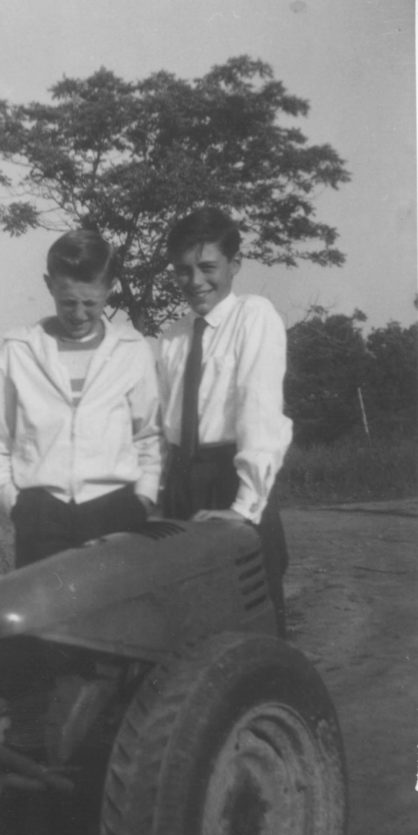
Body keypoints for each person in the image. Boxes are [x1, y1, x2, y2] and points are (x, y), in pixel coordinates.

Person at [0, 229, 162, 567]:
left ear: (109, 289)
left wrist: (144, 498)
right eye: (68, 302)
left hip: (116, 512)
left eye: (90, 303)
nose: (78, 314)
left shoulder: (132, 350)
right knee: (48, 619)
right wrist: (14, 503)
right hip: (42, 517)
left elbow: (148, 435)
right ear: (50, 285)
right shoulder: (19, 350)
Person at [157, 207, 292, 635]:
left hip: (231, 477)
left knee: (252, 613)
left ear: (234, 265)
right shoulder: (173, 337)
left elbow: (259, 409)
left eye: (208, 267)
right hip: (181, 482)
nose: (195, 281)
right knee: (191, 619)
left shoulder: (254, 316)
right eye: (183, 270)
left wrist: (244, 506)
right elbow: (164, 424)